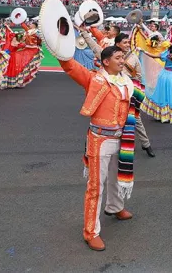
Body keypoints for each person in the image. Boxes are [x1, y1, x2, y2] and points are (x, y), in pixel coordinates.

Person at [59, 46, 144, 251]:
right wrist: (60, 48)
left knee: (117, 176)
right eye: (118, 57)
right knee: (96, 186)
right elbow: (71, 67)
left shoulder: (128, 82)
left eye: (123, 57)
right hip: (100, 138)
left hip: (123, 137)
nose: (122, 60)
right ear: (106, 61)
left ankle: (115, 207)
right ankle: (90, 231)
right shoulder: (94, 79)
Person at [80, 29, 156, 158]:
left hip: (127, 94)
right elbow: (94, 46)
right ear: (118, 44)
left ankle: (146, 144)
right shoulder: (108, 55)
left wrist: (132, 88)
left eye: (128, 42)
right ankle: (94, 146)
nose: (127, 44)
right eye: (125, 42)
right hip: (110, 95)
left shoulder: (133, 57)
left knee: (136, 120)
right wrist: (84, 34)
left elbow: (138, 76)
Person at [146, 43, 172, 123]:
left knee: (163, 94)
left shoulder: (167, 54)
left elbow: (154, 56)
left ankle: (162, 114)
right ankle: (171, 114)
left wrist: (144, 52)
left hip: (163, 75)